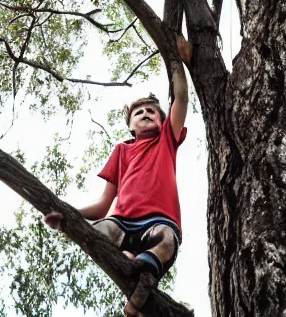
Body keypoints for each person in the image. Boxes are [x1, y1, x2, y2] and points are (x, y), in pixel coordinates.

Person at [44, 58, 188, 317]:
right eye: (139, 113)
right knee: (95, 232)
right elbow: (102, 205)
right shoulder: (122, 151)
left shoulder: (167, 139)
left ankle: (142, 272)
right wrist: (68, 215)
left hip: (158, 219)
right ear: (131, 127)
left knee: (167, 241)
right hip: (121, 222)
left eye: (152, 112)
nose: (145, 114)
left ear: (162, 121)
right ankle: (133, 273)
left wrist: (174, 58)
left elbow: (181, 99)